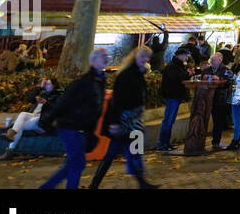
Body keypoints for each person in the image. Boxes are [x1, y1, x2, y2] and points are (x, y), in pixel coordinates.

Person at [90, 45, 157, 189]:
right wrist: (114, 123)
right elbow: (117, 100)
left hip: (134, 121)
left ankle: (142, 183)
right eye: (143, 56)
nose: (145, 59)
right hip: (124, 121)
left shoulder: (138, 73)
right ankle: (94, 183)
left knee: (135, 152)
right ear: (136, 57)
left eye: (147, 57)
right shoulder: (127, 75)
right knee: (114, 154)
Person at [41, 48, 108, 189]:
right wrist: (48, 118)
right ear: (93, 60)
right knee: (77, 163)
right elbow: (64, 102)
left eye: (107, 55)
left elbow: (97, 108)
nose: (106, 58)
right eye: (103, 56)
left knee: (75, 163)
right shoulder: (84, 82)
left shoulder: (100, 80)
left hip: (80, 127)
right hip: (70, 125)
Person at [0, 76, 61, 159]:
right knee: (23, 114)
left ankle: (10, 148)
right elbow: (30, 99)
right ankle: (11, 141)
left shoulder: (58, 95)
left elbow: (58, 108)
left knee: (19, 126)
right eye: (46, 84)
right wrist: (40, 87)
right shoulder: (42, 93)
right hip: (34, 117)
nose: (47, 86)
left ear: (54, 85)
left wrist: (46, 103)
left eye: (49, 84)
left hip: (44, 121)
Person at [156, 45, 193, 151]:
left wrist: (187, 74)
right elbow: (176, 78)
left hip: (174, 95)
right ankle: (162, 144)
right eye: (186, 56)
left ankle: (166, 143)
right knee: (168, 120)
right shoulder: (173, 66)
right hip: (172, 95)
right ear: (180, 56)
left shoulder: (177, 65)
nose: (187, 58)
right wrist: (187, 74)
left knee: (170, 120)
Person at [200, 52, 233, 150]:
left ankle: (216, 141)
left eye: (213, 60)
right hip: (207, 97)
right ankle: (201, 140)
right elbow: (201, 78)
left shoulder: (225, 70)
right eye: (211, 60)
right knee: (203, 118)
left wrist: (220, 79)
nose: (211, 62)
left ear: (220, 60)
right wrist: (203, 77)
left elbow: (229, 81)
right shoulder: (207, 70)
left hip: (220, 98)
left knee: (218, 120)